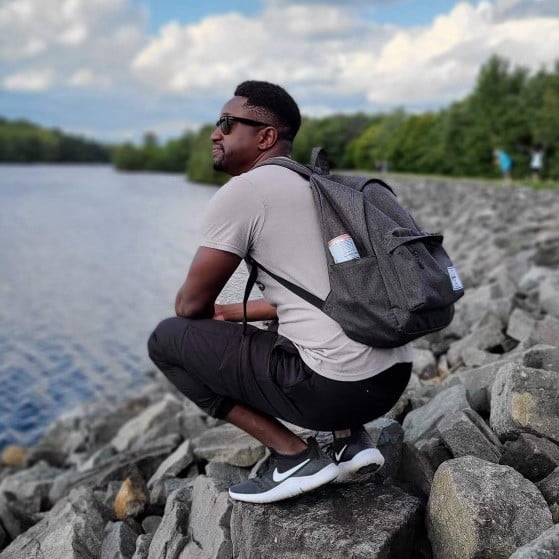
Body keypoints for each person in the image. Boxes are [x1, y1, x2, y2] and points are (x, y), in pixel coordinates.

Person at [147, 81, 413, 504]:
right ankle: (350, 443)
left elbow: (189, 305)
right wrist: (233, 314)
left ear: (265, 137)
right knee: (291, 321)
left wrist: (209, 327)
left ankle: (292, 457)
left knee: (165, 339)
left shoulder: (245, 191)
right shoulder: (319, 185)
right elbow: (320, 293)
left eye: (227, 123)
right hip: (389, 382)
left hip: (334, 391)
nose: (215, 133)